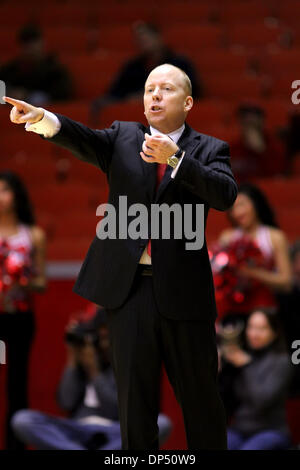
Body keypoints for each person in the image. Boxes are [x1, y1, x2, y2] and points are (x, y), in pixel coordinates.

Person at [3, 62, 238, 450]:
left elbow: (225, 195)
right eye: (149, 90)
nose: (155, 95)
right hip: (129, 293)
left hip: (185, 295)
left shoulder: (211, 149)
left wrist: (176, 158)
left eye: (166, 89)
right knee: (134, 404)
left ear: (189, 102)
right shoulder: (124, 137)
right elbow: (81, 138)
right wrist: (42, 118)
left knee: (200, 403)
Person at [11, 306, 172, 450]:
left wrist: (94, 372)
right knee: (22, 420)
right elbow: (66, 402)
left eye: (107, 338)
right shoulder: (80, 363)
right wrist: (72, 360)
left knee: (161, 423)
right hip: (77, 429)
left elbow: (115, 410)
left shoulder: (124, 364)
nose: (103, 345)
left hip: (114, 431)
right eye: (99, 338)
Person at [0, 170, 47, 449]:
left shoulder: (33, 235)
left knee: (17, 386)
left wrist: (23, 278)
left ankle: (16, 446)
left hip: (18, 319)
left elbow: (42, 282)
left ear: (17, 195)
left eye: (5, 190)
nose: (1, 197)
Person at [90, 22, 202, 124]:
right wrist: (129, 99)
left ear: (159, 37)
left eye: (147, 37)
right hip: (137, 121)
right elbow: (115, 94)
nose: (143, 41)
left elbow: (193, 92)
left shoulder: (179, 63)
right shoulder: (131, 67)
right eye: (139, 39)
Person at [218, 307, 293, 450]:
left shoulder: (282, 361)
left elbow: (262, 400)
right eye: (251, 327)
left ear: (274, 332)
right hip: (239, 429)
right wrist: (220, 369)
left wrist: (246, 365)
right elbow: (223, 399)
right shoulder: (243, 355)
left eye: (261, 329)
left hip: (271, 431)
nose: (253, 334)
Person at [217, 183, 292, 324]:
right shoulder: (227, 237)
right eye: (233, 207)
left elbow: (286, 281)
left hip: (263, 312)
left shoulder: (274, 237)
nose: (237, 212)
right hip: (231, 310)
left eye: (242, 205)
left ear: (256, 204)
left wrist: (252, 273)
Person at [0, 22, 73, 106]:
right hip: (13, 114)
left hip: (45, 114)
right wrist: (8, 94)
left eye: (34, 44)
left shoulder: (55, 70)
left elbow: (62, 94)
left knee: (38, 98)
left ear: (42, 43)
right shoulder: (10, 69)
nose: (30, 49)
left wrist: (27, 95)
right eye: (26, 46)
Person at [230, 104, 286, 183]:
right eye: (245, 122)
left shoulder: (275, 147)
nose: (249, 126)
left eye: (253, 123)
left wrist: (261, 151)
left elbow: (277, 176)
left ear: (262, 122)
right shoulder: (233, 148)